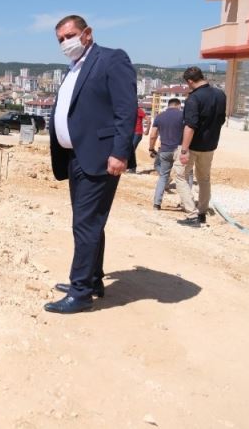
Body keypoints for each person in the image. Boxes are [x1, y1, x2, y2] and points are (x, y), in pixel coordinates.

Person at [45, 15, 137, 314]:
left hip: (99, 156)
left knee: (84, 225)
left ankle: (80, 292)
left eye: (69, 35)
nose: (65, 42)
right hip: (76, 157)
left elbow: (126, 109)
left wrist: (120, 153)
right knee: (90, 222)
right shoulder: (74, 67)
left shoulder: (111, 59)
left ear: (87, 33)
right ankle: (93, 280)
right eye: (60, 39)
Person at [173, 67, 226, 227]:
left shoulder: (194, 98)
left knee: (180, 176)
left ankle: (192, 214)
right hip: (210, 146)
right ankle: (202, 213)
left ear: (190, 81)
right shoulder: (220, 94)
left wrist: (184, 150)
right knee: (204, 179)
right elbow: (221, 120)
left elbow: (190, 126)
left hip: (193, 146)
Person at [147, 98, 184, 209]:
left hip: (164, 150)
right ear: (178, 105)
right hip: (179, 150)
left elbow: (153, 135)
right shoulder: (183, 115)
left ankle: (157, 204)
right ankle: (185, 203)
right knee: (183, 177)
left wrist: (151, 148)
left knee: (163, 176)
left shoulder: (159, 116)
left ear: (168, 105)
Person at [126, 105, 146, 172]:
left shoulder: (139, 110)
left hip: (138, 133)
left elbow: (148, 119)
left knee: (132, 150)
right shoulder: (130, 110)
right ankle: (130, 168)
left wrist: (147, 130)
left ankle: (132, 169)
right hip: (132, 132)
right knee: (130, 149)